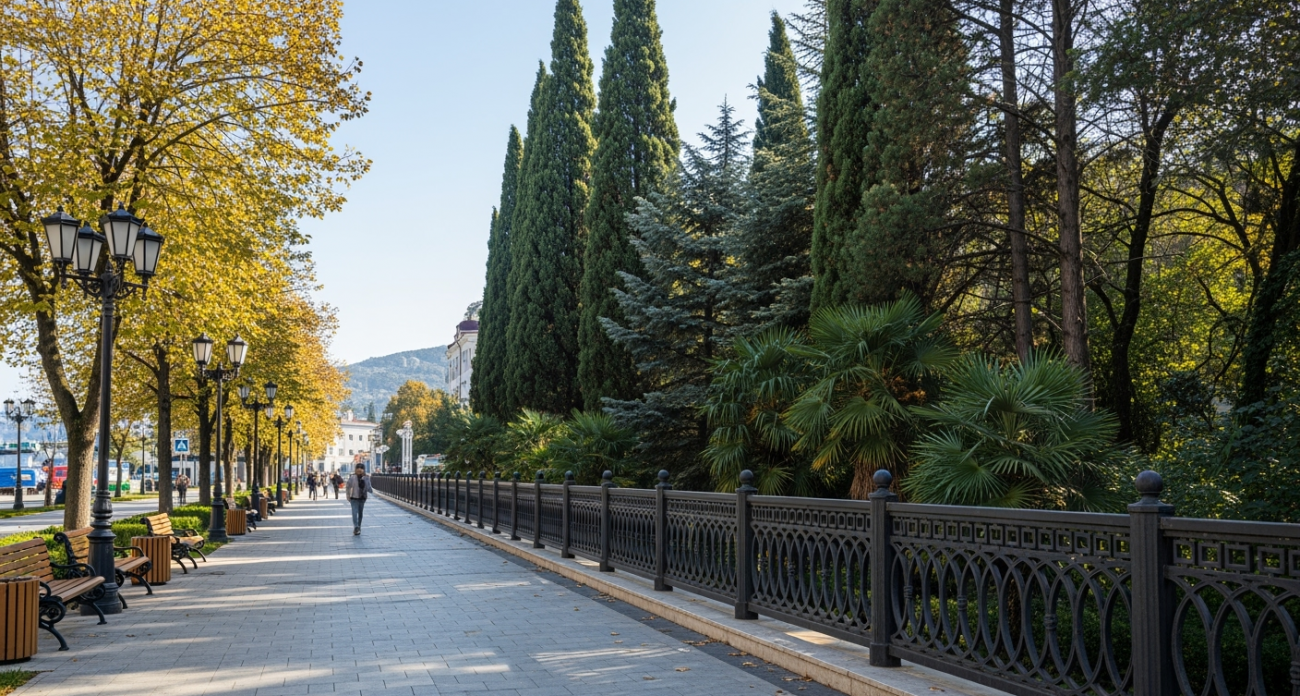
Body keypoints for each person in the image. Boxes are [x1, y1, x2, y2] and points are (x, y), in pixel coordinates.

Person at [344, 465, 372, 535]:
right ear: (356, 469)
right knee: (354, 512)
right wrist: (348, 495)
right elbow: (347, 486)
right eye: (358, 468)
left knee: (360, 513)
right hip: (354, 497)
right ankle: (356, 527)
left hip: (362, 498)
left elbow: (369, 488)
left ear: (364, 470)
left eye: (361, 468)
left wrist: (366, 481)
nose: (359, 470)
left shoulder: (366, 478)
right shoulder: (352, 477)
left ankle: (359, 526)